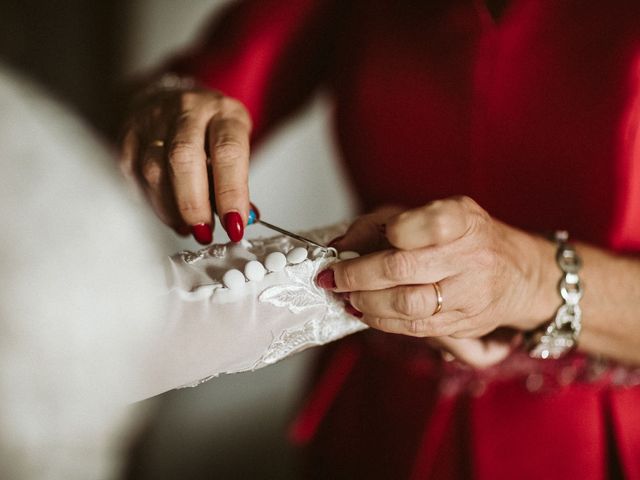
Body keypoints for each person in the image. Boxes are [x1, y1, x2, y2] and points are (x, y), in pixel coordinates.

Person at [119, 0, 640, 478]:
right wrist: (167, 114)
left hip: (601, 447)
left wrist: (532, 280)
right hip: (375, 426)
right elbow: (174, 95)